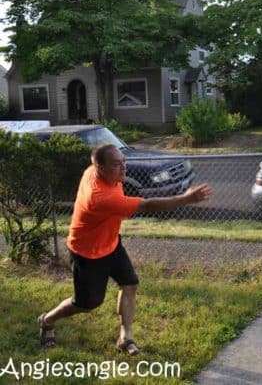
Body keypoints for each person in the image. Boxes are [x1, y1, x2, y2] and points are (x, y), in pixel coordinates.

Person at [38, 144, 212, 355]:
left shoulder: (95, 171)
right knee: (86, 303)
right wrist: (186, 198)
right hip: (87, 252)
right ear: (99, 168)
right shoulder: (101, 196)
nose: (123, 168)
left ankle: (125, 337)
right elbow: (147, 205)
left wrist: (113, 162)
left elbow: (104, 161)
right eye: (116, 164)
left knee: (130, 284)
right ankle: (47, 320)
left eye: (124, 162)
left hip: (110, 242)